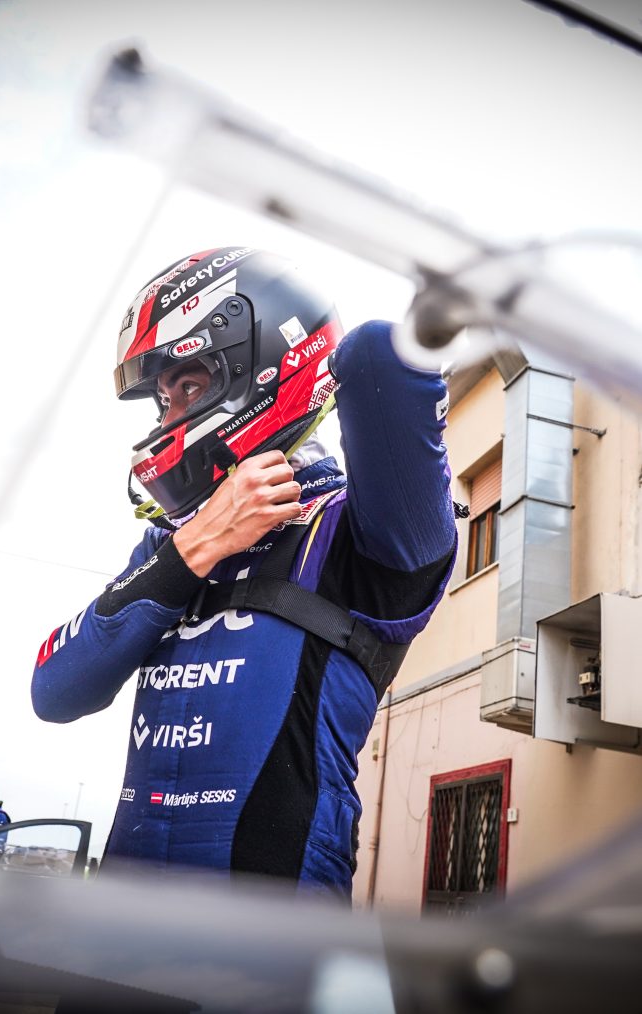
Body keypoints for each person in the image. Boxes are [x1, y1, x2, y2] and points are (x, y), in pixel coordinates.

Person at [31, 247, 457, 898]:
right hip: (116, 931)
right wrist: (199, 544)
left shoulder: (360, 533)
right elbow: (55, 691)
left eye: (188, 387)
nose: (167, 419)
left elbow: (375, 359)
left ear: (258, 370)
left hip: (268, 940)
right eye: (161, 402)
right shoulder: (170, 546)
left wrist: (443, 303)